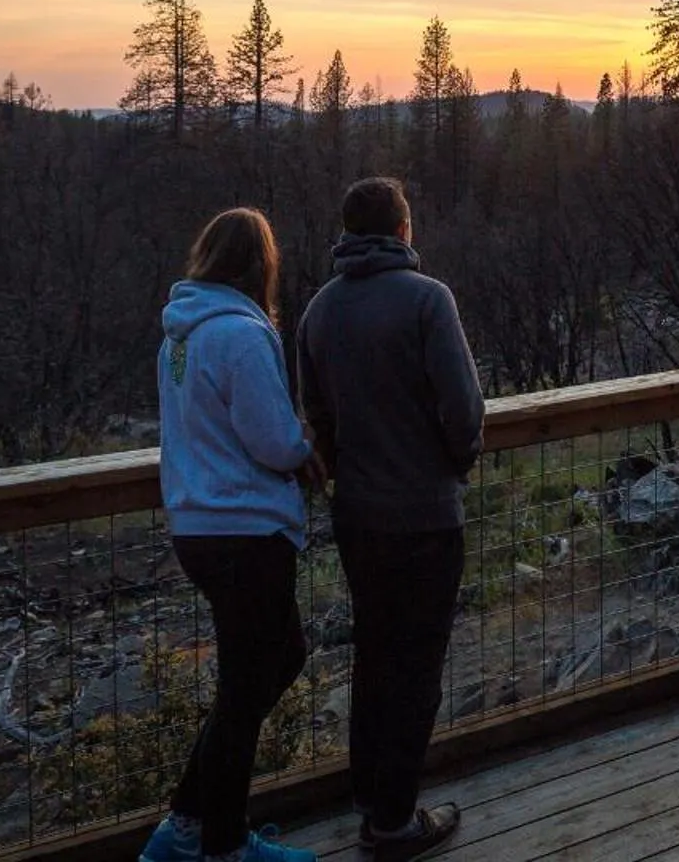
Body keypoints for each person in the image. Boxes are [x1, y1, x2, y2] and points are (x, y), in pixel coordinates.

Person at [295, 177, 483, 862]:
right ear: (404, 230)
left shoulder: (319, 311)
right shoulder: (429, 300)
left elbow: (316, 417)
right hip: (426, 514)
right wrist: (457, 461)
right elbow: (464, 407)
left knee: (374, 655)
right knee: (419, 664)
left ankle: (371, 800)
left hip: (358, 516)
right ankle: (397, 821)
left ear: (347, 235)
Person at [144, 208, 324, 862]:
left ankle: (186, 826)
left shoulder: (180, 337)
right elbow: (271, 439)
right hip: (245, 529)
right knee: (247, 689)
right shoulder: (242, 336)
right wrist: (307, 444)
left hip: (197, 525)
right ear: (260, 264)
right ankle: (221, 844)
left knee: (274, 662)